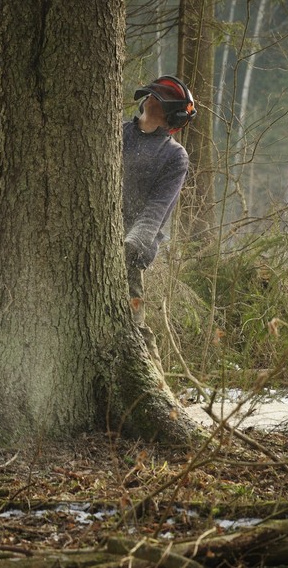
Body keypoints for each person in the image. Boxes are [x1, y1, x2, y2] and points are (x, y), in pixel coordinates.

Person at [123, 75, 196, 373]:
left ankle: (154, 385)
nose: (152, 100)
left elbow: (156, 208)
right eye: (152, 96)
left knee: (131, 326)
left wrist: (131, 243)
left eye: (161, 100)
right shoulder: (118, 133)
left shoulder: (174, 155)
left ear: (172, 117)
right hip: (96, 237)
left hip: (131, 250)